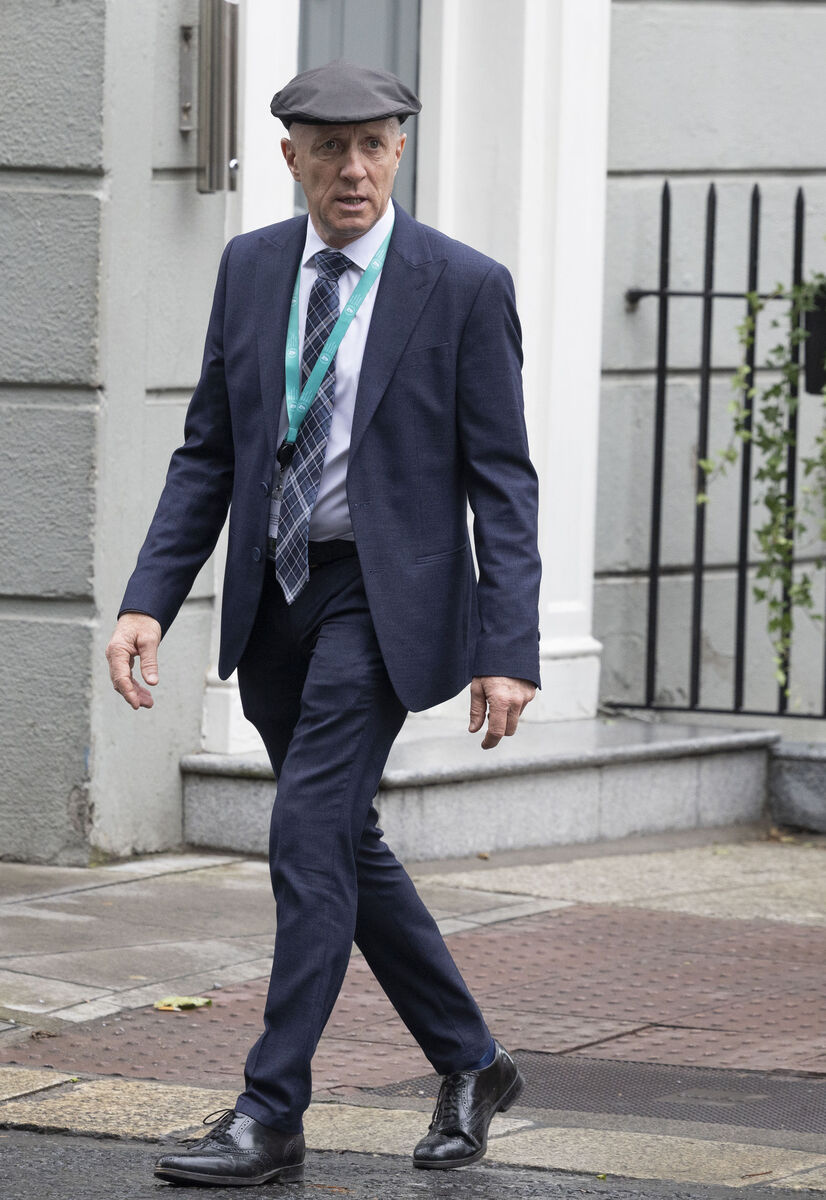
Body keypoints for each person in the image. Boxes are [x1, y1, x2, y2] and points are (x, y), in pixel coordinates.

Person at [106, 59, 541, 1187]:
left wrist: (508, 646)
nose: (354, 168)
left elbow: (503, 481)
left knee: (304, 836)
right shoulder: (251, 268)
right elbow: (210, 449)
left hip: (382, 603)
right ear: (290, 151)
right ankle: (472, 1060)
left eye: (375, 145)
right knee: (343, 841)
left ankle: (271, 1109)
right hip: (275, 598)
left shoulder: (462, 284)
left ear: (400, 151)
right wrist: (150, 598)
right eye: (329, 145)